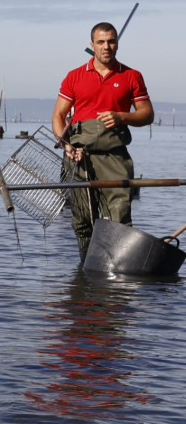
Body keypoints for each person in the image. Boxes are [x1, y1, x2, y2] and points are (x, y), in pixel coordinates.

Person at [52, 21, 154, 263]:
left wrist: (121, 116)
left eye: (111, 41)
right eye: (101, 42)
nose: (106, 46)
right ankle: (87, 275)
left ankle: (116, 282)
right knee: (83, 221)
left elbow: (147, 114)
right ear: (92, 46)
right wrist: (66, 146)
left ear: (117, 43)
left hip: (115, 158)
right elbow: (58, 116)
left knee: (119, 221)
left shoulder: (131, 76)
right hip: (79, 159)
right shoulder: (74, 77)